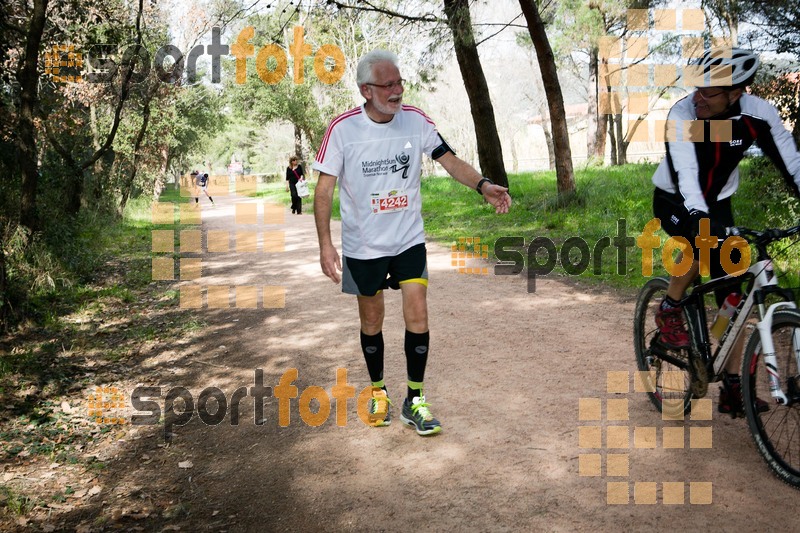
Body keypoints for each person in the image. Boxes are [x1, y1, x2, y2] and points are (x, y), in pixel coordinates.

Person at [313, 49, 511, 436]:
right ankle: (379, 392)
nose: (398, 90)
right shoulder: (343, 130)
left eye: (400, 82)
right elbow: (324, 190)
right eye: (388, 84)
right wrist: (325, 243)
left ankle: (415, 400)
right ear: (366, 90)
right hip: (364, 245)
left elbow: (450, 160)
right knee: (372, 320)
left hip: (408, 240)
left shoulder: (415, 121)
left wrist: (483, 185)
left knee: (417, 313)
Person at [651, 47, 800, 416]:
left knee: (732, 293)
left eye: (709, 92)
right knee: (702, 247)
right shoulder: (682, 115)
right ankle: (670, 309)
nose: (697, 97)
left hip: (718, 200)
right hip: (675, 199)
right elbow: (686, 175)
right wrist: (702, 222)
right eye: (697, 88)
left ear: (736, 93)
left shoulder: (758, 114)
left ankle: (732, 387)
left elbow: (791, 162)